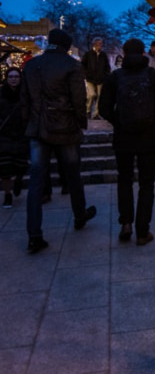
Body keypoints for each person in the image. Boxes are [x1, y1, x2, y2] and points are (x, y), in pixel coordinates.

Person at [21, 28, 96, 254]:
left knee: (36, 182)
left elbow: (24, 100)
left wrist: (30, 123)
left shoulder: (32, 66)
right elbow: (78, 99)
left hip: (38, 128)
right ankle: (79, 214)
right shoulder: (71, 66)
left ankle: (34, 234)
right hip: (65, 128)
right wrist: (81, 123)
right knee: (73, 174)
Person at [99, 39, 155, 245]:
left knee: (124, 180)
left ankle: (126, 223)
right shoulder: (154, 76)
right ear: (143, 53)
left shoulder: (115, 77)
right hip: (148, 137)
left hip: (123, 137)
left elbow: (104, 108)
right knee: (146, 183)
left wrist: (119, 121)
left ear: (124, 52)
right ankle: (143, 230)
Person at [0, 68, 28, 208]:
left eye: (16, 76)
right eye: (10, 76)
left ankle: (18, 180)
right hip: (5, 136)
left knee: (21, 165)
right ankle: (7, 194)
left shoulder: (24, 95)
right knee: (5, 168)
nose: (13, 79)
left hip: (21, 135)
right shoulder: (2, 94)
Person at [81, 36, 111, 119]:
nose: (100, 46)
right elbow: (83, 65)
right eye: (98, 44)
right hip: (90, 78)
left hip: (100, 79)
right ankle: (88, 110)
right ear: (94, 44)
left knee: (99, 96)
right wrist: (86, 74)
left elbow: (107, 67)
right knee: (91, 94)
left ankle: (96, 114)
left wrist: (106, 75)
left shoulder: (103, 55)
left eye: (101, 44)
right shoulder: (88, 54)